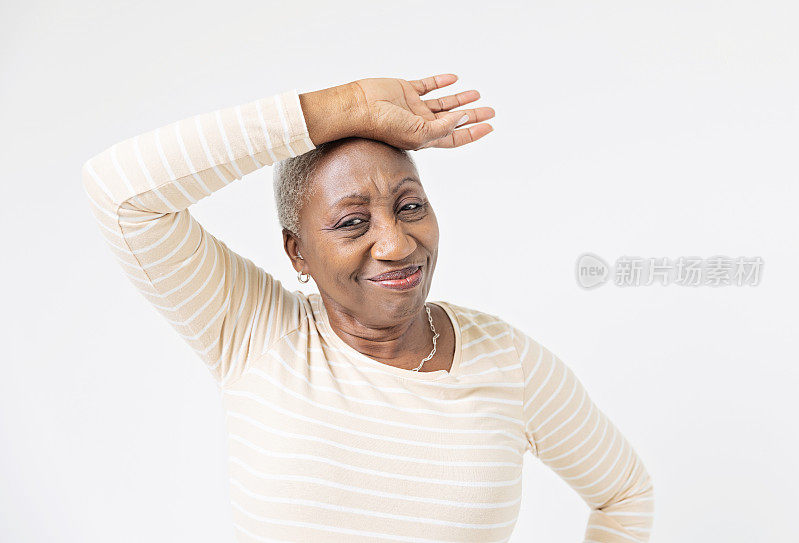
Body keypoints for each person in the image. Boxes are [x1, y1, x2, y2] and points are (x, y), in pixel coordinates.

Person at [81, 73, 654, 542]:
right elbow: (121, 193)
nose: (397, 244)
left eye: (409, 207)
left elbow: (623, 495)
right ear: (297, 251)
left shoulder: (506, 361)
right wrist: (346, 106)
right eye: (353, 222)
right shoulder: (253, 329)